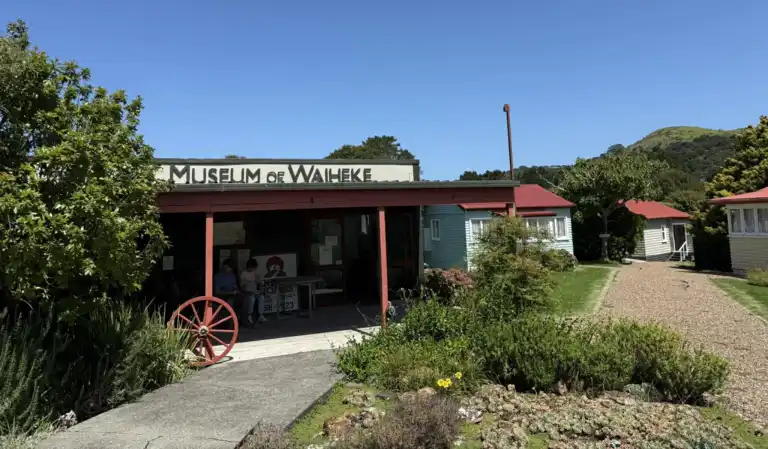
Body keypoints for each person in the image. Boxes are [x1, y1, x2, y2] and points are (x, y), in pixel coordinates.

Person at [240, 258, 267, 324]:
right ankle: (249, 315)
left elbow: (258, 283)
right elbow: (241, 286)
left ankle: (261, 315)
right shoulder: (243, 273)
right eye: (252, 268)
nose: (252, 269)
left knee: (261, 297)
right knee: (251, 298)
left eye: (254, 268)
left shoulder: (255, 272)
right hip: (247, 292)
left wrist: (258, 279)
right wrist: (246, 288)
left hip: (255, 291)